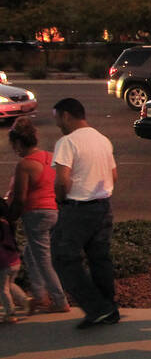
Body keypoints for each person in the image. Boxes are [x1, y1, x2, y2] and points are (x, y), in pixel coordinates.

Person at [48, 98, 119, 329]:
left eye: (57, 117)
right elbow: (114, 175)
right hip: (103, 205)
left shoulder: (67, 142)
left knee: (63, 257)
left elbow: (62, 180)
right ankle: (108, 307)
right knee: (100, 258)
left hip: (78, 208)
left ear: (66, 115)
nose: (57, 122)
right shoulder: (102, 139)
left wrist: (61, 200)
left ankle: (97, 308)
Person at [6, 117, 68, 313]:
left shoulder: (25, 165)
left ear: (17, 143)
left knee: (42, 259)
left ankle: (59, 301)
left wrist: (10, 218)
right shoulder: (50, 157)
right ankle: (40, 296)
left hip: (36, 215)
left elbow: (20, 199)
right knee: (31, 254)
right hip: (53, 211)